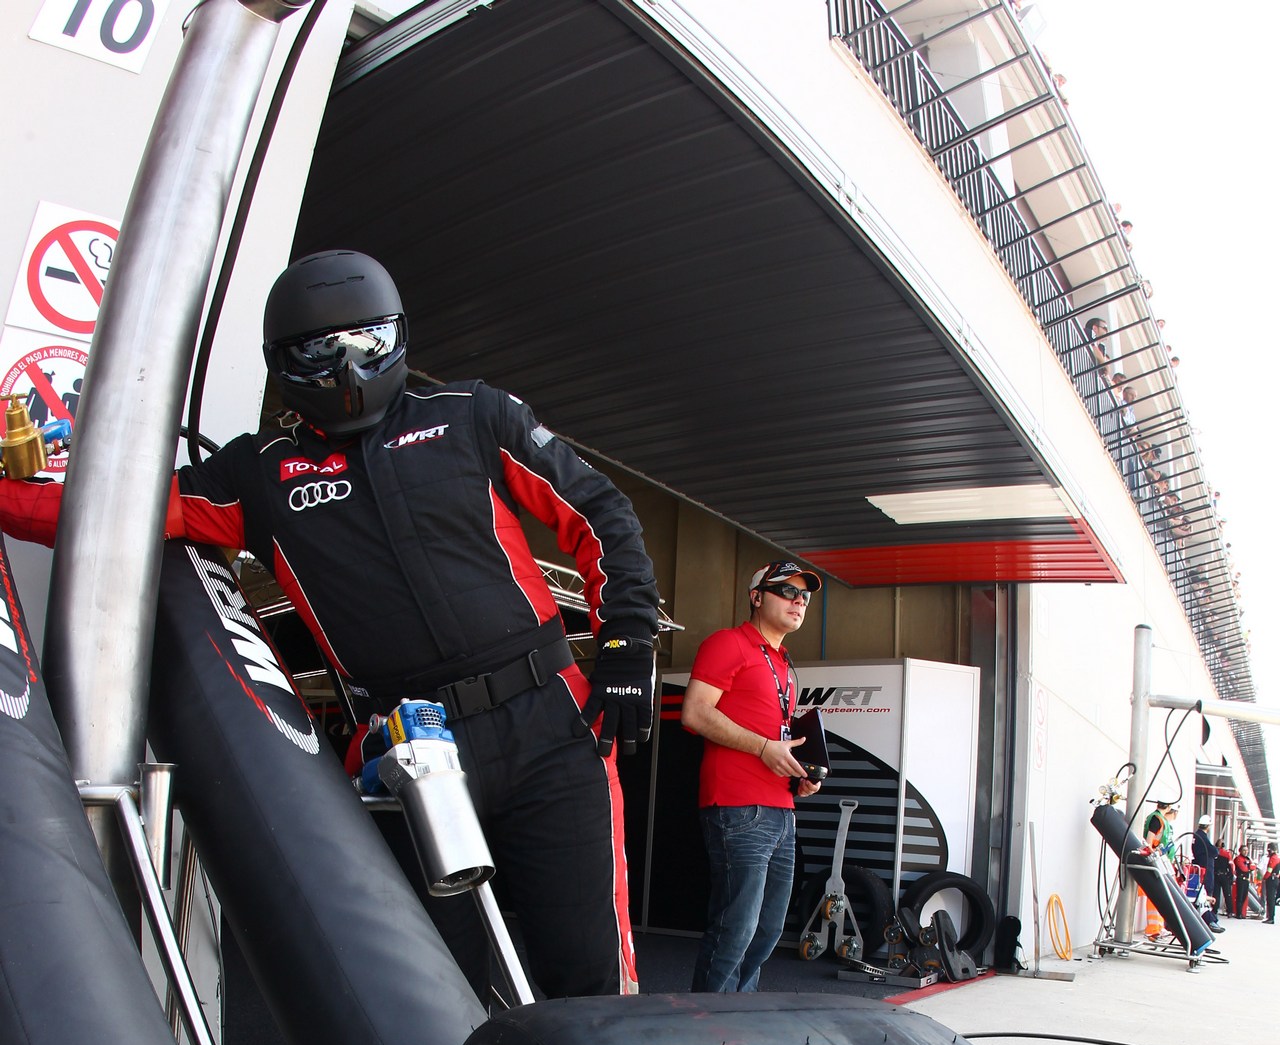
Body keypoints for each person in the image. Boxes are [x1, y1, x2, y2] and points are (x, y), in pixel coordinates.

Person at [0, 251, 659, 1000]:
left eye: (367, 342)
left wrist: (626, 640)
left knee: (595, 985)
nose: (347, 366)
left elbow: (600, 511)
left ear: (399, 336)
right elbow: (109, 509)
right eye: (321, 351)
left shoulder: (474, 414)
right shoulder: (256, 473)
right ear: (283, 363)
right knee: (435, 996)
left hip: (553, 728)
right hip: (411, 749)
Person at [681, 558, 824, 992]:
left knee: (767, 933)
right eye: (787, 591)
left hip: (781, 809)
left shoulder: (781, 664)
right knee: (735, 929)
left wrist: (799, 774)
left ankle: (737, 1019)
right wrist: (764, 748)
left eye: (805, 595)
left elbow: (772, 733)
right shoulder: (728, 643)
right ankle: (705, 1027)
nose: (798, 601)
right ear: (757, 597)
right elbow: (694, 713)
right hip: (738, 807)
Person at [1191, 815, 1221, 930]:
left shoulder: (1196, 835)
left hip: (1200, 868)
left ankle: (1208, 919)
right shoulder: (1202, 837)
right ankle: (1209, 920)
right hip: (1205, 870)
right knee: (1205, 893)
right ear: (1208, 826)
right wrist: (1217, 848)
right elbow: (1213, 851)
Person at [1233, 845, 1254, 919]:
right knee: (1240, 896)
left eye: (1247, 850)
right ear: (1240, 851)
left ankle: (1241, 912)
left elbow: (1253, 866)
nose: (1246, 852)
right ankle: (1238, 913)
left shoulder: (1247, 859)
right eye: (1244, 850)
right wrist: (1249, 867)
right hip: (1241, 879)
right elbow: (1243, 868)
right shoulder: (1238, 858)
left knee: (1244, 896)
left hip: (1246, 880)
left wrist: (1250, 867)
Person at [1264, 845, 1279, 925]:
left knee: (1270, 899)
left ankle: (1270, 918)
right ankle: (1270, 917)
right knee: (1271, 899)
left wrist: (1265, 877)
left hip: (1271, 880)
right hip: (1275, 879)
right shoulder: (1277, 858)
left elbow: (1269, 869)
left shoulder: (1273, 858)